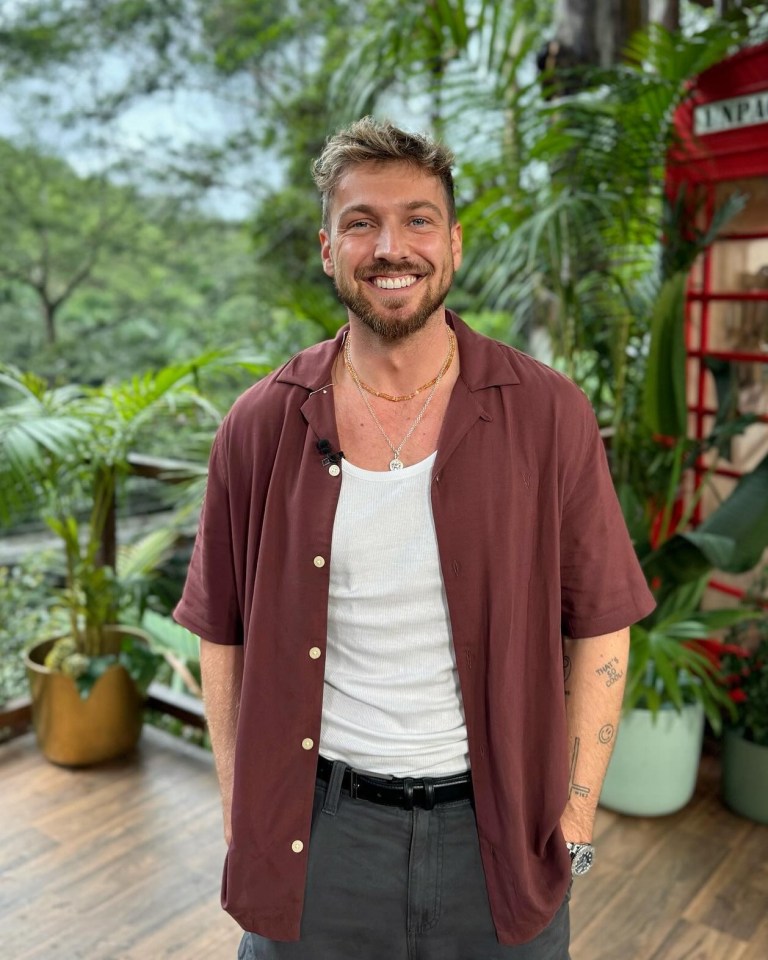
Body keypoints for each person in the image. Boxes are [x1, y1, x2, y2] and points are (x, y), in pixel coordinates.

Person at [174, 116, 655, 960]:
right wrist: (239, 809)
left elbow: (602, 624)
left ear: (455, 244)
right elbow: (221, 634)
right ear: (328, 249)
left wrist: (573, 822)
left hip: (502, 833)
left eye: (417, 219)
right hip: (316, 838)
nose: (391, 246)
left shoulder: (547, 414)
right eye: (360, 222)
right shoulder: (258, 426)